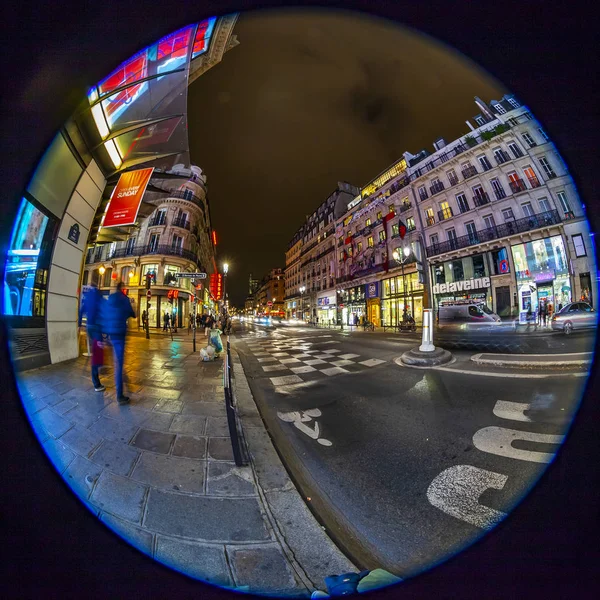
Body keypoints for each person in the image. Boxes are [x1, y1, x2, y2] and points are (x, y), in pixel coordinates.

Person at [103, 281, 135, 405]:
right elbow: (132, 313)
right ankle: (120, 396)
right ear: (122, 288)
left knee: (115, 361)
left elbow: (105, 314)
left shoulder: (110, 298)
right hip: (119, 335)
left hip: (110, 334)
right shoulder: (124, 299)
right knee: (119, 365)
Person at [79, 277, 106, 392]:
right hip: (96, 327)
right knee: (97, 352)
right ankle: (96, 383)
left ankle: (99, 364)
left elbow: (81, 310)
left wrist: (80, 323)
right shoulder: (99, 296)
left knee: (97, 349)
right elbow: (104, 309)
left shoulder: (88, 297)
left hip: (89, 327)